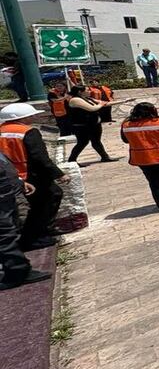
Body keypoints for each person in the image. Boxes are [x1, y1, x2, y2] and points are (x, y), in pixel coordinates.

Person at [0, 103, 68, 250]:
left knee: (36, 203)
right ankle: (36, 236)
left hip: (9, 175)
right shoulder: (28, 132)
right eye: (31, 115)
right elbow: (39, 157)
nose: (34, 117)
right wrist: (58, 174)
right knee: (47, 200)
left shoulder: (2, 130)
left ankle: (41, 232)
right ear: (22, 118)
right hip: (30, 173)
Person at [0, 152, 52, 291]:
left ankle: (18, 270)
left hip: (6, 194)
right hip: (4, 195)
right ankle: (17, 270)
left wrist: (19, 181)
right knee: (5, 233)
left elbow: (5, 165)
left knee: (7, 232)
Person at [66, 85, 118, 165]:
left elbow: (105, 103)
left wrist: (124, 101)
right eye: (87, 90)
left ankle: (104, 157)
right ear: (80, 92)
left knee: (96, 141)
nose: (90, 91)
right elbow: (92, 108)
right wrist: (100, 105)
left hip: (93, 124)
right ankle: (72, 160)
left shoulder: (88, 98)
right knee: (82, 142)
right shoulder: (75, 100)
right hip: (82, 126)